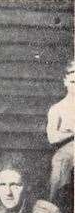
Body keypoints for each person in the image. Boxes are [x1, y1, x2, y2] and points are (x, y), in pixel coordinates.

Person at [46, 59, 74, 202]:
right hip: (66, 154)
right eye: (73, 78)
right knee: (60, 167)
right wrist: (71, 132)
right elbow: (52, 137)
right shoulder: (58, 108)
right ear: (65, 80)